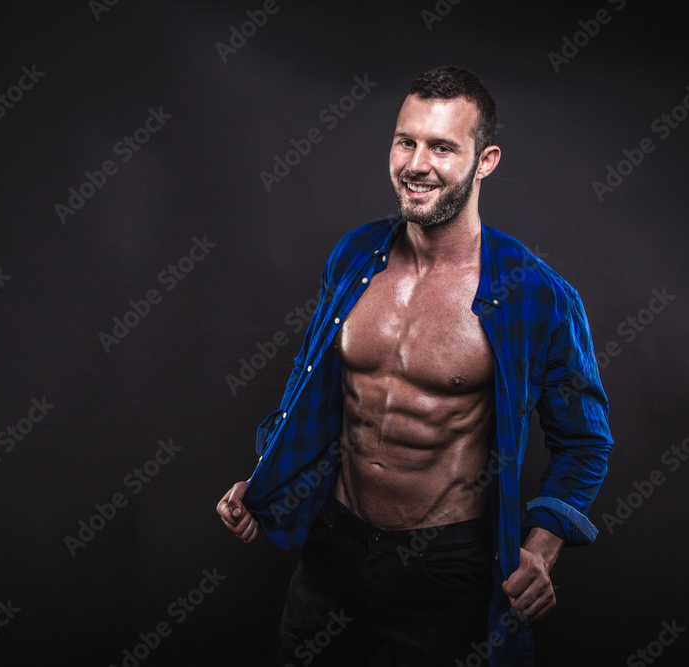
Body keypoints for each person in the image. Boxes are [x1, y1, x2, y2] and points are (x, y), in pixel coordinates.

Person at [218, 65, 613, 667]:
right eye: (407, 140)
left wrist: (542, 546)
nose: (416, 164)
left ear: (486, 161)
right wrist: (266, 483)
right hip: (334, 547)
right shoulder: (353, 257)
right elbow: (310, 389)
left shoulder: (537, 295)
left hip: (446, 567)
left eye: (443, 147)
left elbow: (585, 443)